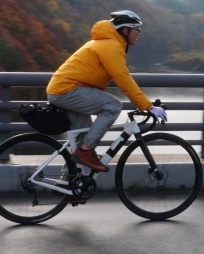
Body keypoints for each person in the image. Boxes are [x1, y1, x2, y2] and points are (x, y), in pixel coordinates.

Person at [45, 10, 167, 172]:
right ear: (125, 30)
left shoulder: (108, 44)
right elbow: (123, 79)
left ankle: (68, 185)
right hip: (66, 90)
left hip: (65, 89)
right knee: (113, 106)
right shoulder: (111, 46)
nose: (139, 33)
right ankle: (87, 151)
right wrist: (148, 106)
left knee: (82, 140)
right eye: (137, 29)